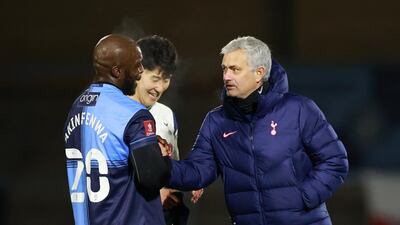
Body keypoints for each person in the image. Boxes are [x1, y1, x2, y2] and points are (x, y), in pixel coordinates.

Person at [166, 36, 349, 225]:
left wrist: (304, 197)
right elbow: (198, 171)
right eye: (225, 69)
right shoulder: (216, 121)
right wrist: (161, 168)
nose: (226, 76)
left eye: (235, 69)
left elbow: (335, 160)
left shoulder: (299, 109)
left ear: (259, 73)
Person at [63, 34, 171, 225]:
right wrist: (162, 156)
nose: (140, 72)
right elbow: (152, 177)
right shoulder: (132, 113)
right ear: (117, 71)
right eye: (137, 65)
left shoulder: (76, 108)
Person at [130, 35, 203, 225]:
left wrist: (189, 179)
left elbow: (171, 169)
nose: (160, 88)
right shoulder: (117, 115)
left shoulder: (166, 115)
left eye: (166, 80)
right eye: (155, 79)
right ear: (137, 71)